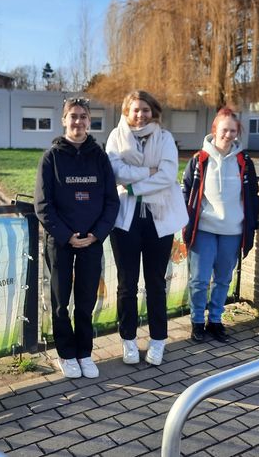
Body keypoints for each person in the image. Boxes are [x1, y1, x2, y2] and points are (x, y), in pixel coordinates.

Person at [34, 96, 120, 379]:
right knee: (61, 303)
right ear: (64, 120)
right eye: (73, 116)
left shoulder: (99, 157)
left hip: (92, 241)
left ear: (89, 121)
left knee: (85, 301)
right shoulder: (52, 158)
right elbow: (43, 205)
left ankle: (84, 352)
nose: (79, 121)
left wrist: (96, 234)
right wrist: (66, 236)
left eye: (83, 116)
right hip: (60, 242)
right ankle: (66, 354)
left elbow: (111, 202)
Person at [106, 90, 188, 366]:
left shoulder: (164, 139)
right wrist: (146, 172)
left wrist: (131, 185)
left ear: (154, 111)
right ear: (126, 112)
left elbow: (167, 176)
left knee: (155, 283)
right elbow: (114, 171)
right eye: (135, 110)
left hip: (158, 218)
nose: (140, 115)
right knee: (127, 284)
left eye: (145, 110)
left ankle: (158, 340)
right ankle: (128, 340)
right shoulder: (116, 137)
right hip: (125, 221)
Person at [182, 107, 259, 343]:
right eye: (224, 129)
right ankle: (197, 321)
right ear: (214, 130)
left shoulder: (243, 161)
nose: (228, 135)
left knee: (223, 279)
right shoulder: (199, 159)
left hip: (232, 231)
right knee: (199, 280)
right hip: (204, 229)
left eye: (233, 131)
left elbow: (252, 194)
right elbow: (187, 191)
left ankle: (215, 319)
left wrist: (252, 224)